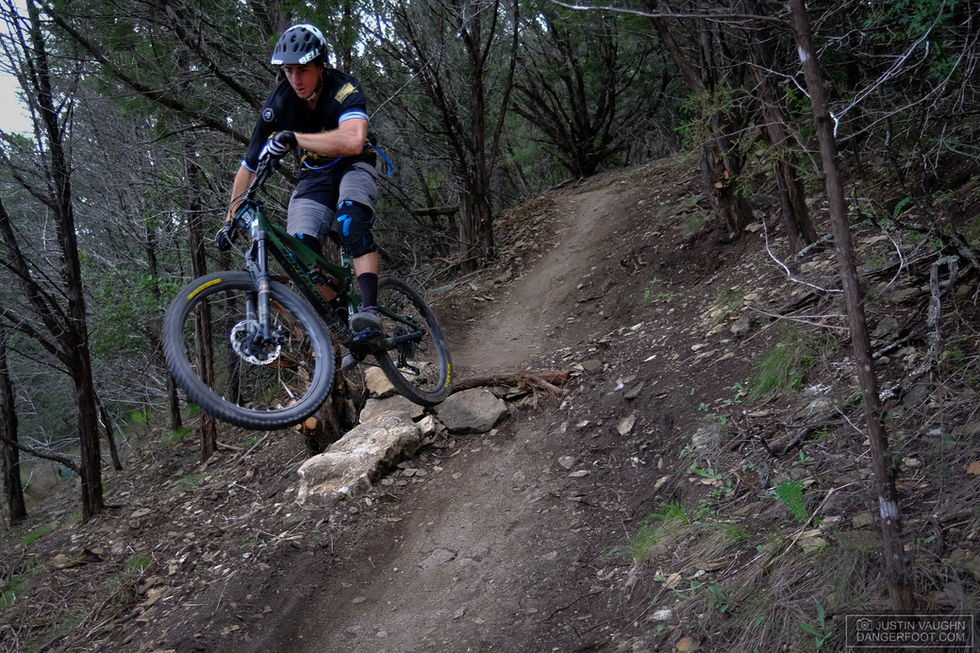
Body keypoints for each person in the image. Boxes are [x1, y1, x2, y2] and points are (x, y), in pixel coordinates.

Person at [220, 23, 382, 339]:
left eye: (303, 70)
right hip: (314, 175)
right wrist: (229, 218)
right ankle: (342, 324)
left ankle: (370, 310)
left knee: (350, 220)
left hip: (354, 164)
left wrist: (295, 138)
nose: (295, 79)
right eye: (288, 70)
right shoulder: (280, 102)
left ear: (320, 66)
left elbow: (353, 140)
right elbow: (249, 165)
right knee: (299, 253)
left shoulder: (344, 89)